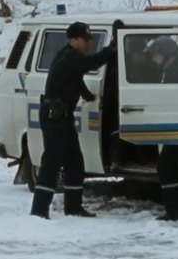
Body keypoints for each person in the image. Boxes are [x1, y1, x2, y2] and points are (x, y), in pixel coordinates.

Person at [30, 21, 115, 219]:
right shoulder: (70, 57)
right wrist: (111, 49)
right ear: (73, 40)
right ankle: (39, 211)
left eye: (89, 40)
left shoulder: (71, 58)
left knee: (75, 162)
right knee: (52, 162)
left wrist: (88, 95)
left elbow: (76, 80)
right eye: (85, 40)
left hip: (63, 116)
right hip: (54, 116)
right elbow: (91, 63)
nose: (88, 44)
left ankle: (73, 207)